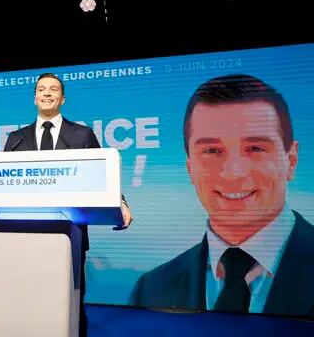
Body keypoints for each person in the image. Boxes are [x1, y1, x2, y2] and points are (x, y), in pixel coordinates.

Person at [129, 74, 314, 317]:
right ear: (189, 168)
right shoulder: (152, 288)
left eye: (255, 148)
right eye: (212, 150)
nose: (233, 173)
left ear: (291, 160)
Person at [4, 72, 133, 336]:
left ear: (62, 98)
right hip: (23, 235)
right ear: (34, 98)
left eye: (53, 89)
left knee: (70, 302)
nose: (47, 93)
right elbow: (6, 181)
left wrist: (120, 202)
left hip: (69, 232)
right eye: (42, 89)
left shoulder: (81, 134)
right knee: (30, 300)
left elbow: (104, 173)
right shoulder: (15, 138)